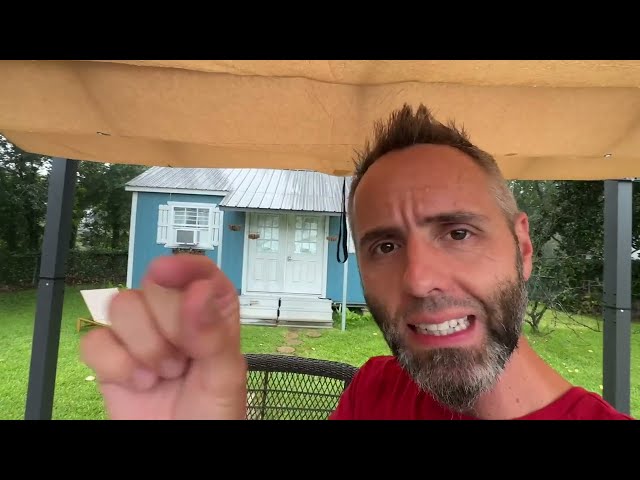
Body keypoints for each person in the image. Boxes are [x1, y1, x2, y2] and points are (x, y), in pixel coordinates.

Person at [80, 103, 634, 420]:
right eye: (385, 246)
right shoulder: (376, 392)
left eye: (458, 232)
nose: (419, 280)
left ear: (523, 248)